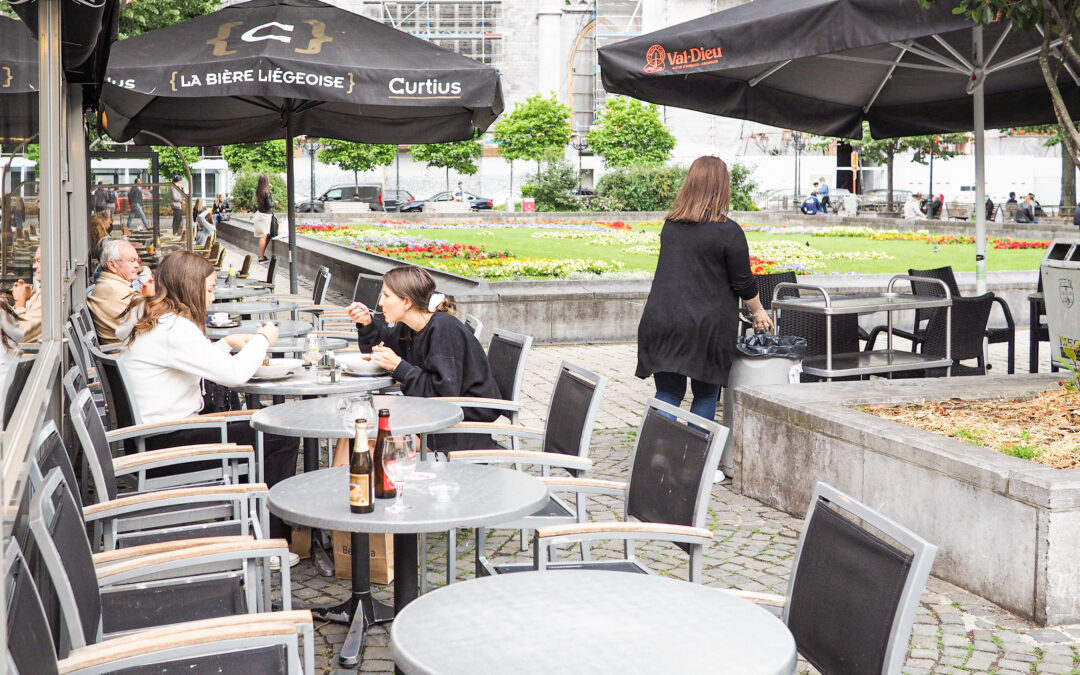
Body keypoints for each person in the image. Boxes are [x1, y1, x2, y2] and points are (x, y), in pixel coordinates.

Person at [116, 251, 299, 545]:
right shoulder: (175, 329)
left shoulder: (154, 317)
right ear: (191, 287)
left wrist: (226, 342)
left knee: (259, 428)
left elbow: (198, 362)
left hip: (153, 435)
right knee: (278, 434)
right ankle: (272, 539)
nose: (212, 298)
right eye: (210, 289)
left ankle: (249, 521)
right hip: (168, 444)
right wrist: (264, 339)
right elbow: (235, 375)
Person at [635, 155, 774, 429]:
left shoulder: (671, 226)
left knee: (669, 393)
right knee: (706, 393)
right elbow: (743, 282)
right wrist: (758, 311)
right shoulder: (728, 231)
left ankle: (657, 459)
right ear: (722, 186)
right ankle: (697, 465)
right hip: (705, 326)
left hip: (661, 320)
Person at [343, 266, 502, 455]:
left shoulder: (443, 330)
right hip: (433, 415)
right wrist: (367, 323)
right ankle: (345, 482)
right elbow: (378, 349)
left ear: (406, 302)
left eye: (386, 296)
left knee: (365, 434)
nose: (380, 302)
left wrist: (399, 367)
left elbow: (443, 394)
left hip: (459, 427)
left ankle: (357, 481)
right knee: (358, 419)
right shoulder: (411, 328)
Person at [87, 239, 154, 345]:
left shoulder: (112, 284)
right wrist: (151, 297)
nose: (137, 265)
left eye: (137, 261)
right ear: (112, 266)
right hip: (127, 353)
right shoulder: (113, 290)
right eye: (131, 261)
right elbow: (150, 323)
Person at [12, 247, 41, 343]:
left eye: (39, 261)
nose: (34, 266)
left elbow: (18, 335)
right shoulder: (43, 292)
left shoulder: (49, 298)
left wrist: (20, 301)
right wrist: (28, 299)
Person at [255, 174, 278, 263]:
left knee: (264, 236)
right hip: (265, 216)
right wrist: (274, 202)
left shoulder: (259, 191)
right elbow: (269, 205)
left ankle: (261, 255)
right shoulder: (266, 192)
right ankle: (261, 257)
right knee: (264, 236)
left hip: (260, 214)